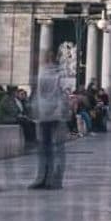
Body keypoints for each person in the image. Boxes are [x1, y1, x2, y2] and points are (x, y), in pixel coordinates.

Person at [30, 50, 71, 190]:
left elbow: (65, 94)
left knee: (54, 148)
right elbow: (38, 94)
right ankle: (44, 178)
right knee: (45, 148)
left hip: (54, 115)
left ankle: (53, 179)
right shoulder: (43, 73)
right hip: (46, 115)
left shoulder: (60, 74)